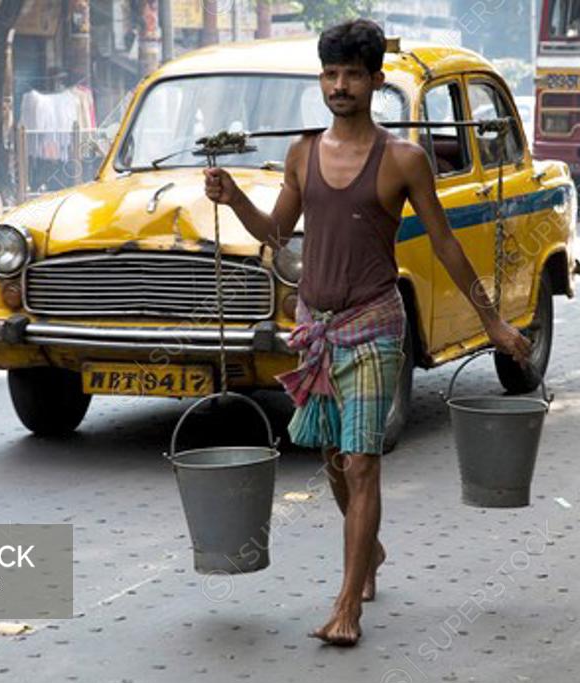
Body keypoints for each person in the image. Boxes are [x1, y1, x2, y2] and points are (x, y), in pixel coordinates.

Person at [203, 19, 532, 646]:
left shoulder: (403, 160)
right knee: (332, 460)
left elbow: (445, 243)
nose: (340, 85)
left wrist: (491, 320)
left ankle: (347, 604)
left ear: (376, 81)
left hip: (376, 327)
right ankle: (369, 551)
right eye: (331, 74)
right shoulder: (302, 153)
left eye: (353, 74)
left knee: (361, 465)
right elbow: (275, 236)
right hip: (316, 329)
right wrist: (234, 199)